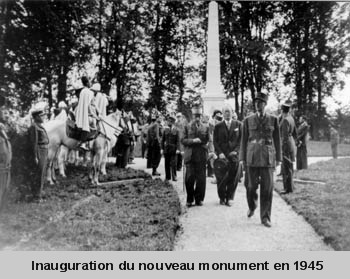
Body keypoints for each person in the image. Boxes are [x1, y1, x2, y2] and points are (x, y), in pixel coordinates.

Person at [239, 92, 281, 227]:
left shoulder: (273, 120)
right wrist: (241, 158)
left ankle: (265, 217)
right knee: (250, 187)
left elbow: (277, 140)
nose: (258, 104)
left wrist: (278, 158)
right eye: (256, 102)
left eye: (261, 102)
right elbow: (243, 140)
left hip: (267, 158)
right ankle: (252, 205)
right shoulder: (247, 120)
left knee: (267, 189)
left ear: (265, 104)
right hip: (252, 157)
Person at [213, 105, 242, 206]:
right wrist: (220, 153)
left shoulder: (238, 125)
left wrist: (236, 151)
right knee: (221, 177)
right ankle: (222, 197)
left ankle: (230, 197)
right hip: (222, 156)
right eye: (225, 112)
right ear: (223, 113)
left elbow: (241, 140)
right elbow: (215, 142)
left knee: (233, 177)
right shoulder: (218, 126)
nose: (227, 114)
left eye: (229, 112)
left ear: (232, 112)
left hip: (234, 156)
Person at [182, 105, 210, 207]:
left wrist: (208, 148)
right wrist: (193, 140)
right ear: (192, 116)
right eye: (195, 116)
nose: (197, 118)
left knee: (201, 179)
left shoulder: (206, 127)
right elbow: (183, 140)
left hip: (201, 156)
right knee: (189, 178)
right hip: (190, 156)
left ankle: (199, 199)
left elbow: (208, 140)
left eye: (199, 115)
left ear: (201, 116)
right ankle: (190, 198)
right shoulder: (187, 126)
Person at [27, 107, 49, 202]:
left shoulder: (39, 125)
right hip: (40, 150)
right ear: (36, 117)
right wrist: (35, 156)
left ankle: (39, 192)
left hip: (44, 150)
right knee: (39, 174)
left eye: (43, 115)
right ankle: (37, 196)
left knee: (42, 172)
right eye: (41, 115)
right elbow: (34, 142)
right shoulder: (34, 126)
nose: (43, 117)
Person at [280, 100, 297, 194]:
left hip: (286, 145)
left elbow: (285, 137)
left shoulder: (286, 120)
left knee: (286, 168)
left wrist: (282, 148)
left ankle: (288, 188)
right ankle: (291, 187)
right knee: (290, 167)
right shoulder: (291, 118)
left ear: (282, 111)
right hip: (291, 143)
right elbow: (294, 132)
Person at [74, 77, 98, 141]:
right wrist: (94, 115)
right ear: (87, 83)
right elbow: (89, 105)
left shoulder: (82, 91)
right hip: (87, 114)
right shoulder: (90, 92)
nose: (90, 84)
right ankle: (86, 143)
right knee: (95, 126)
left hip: (81, 113)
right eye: (89, 82)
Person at [0, 96, 12, 209]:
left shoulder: (2, 128)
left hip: (5, 166)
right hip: (1, 166)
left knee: (4, 188)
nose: (5, 112)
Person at [161, 113, 181, 181]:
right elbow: (162, 140)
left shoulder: (177, 130)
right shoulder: (165, 130)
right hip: (167, 149)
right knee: (166, 163)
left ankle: (174, 176)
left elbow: (178, 140)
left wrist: (178, 149)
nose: (169, 122)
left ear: (173, 122)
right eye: (168, 121)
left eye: (170, 121)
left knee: (174, 164)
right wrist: (161, 148)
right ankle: (167, 177)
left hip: (174, 149)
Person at [147, 110, 162, 176]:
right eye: (159, 117)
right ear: (157, 118)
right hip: (156, 143)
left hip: (151, 143)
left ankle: (154, 170)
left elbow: (148, 135)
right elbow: (157, 134)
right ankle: (154, 170)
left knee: (153, 156)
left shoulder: (150, 125)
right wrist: (159, 143)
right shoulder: (156, 124)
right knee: (157, 156)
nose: (160, 119)